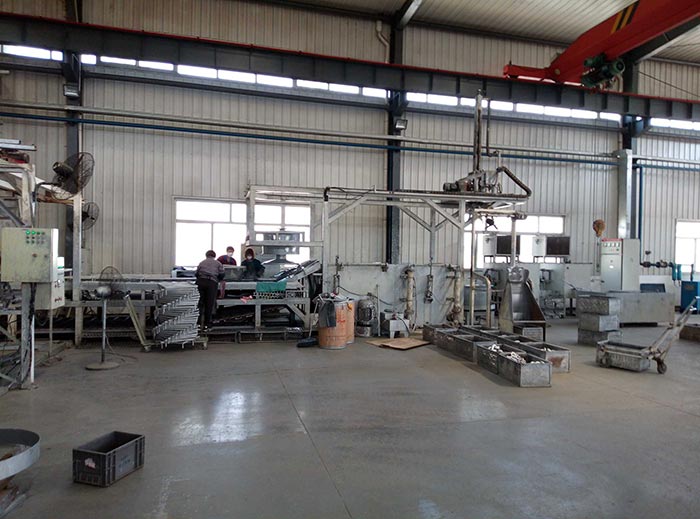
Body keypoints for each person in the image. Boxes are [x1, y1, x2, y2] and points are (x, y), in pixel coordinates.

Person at [195, 250, 224, 331]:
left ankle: (198, 324)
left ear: (206, 255)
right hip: (211, 283)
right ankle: (207, 325)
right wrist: (218, 279)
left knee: (200, 304)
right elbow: (222, 274)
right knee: (209, 304)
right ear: (214, 256)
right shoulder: (218, 263)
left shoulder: (202, 262)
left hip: (201, 282)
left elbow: (196, 274)